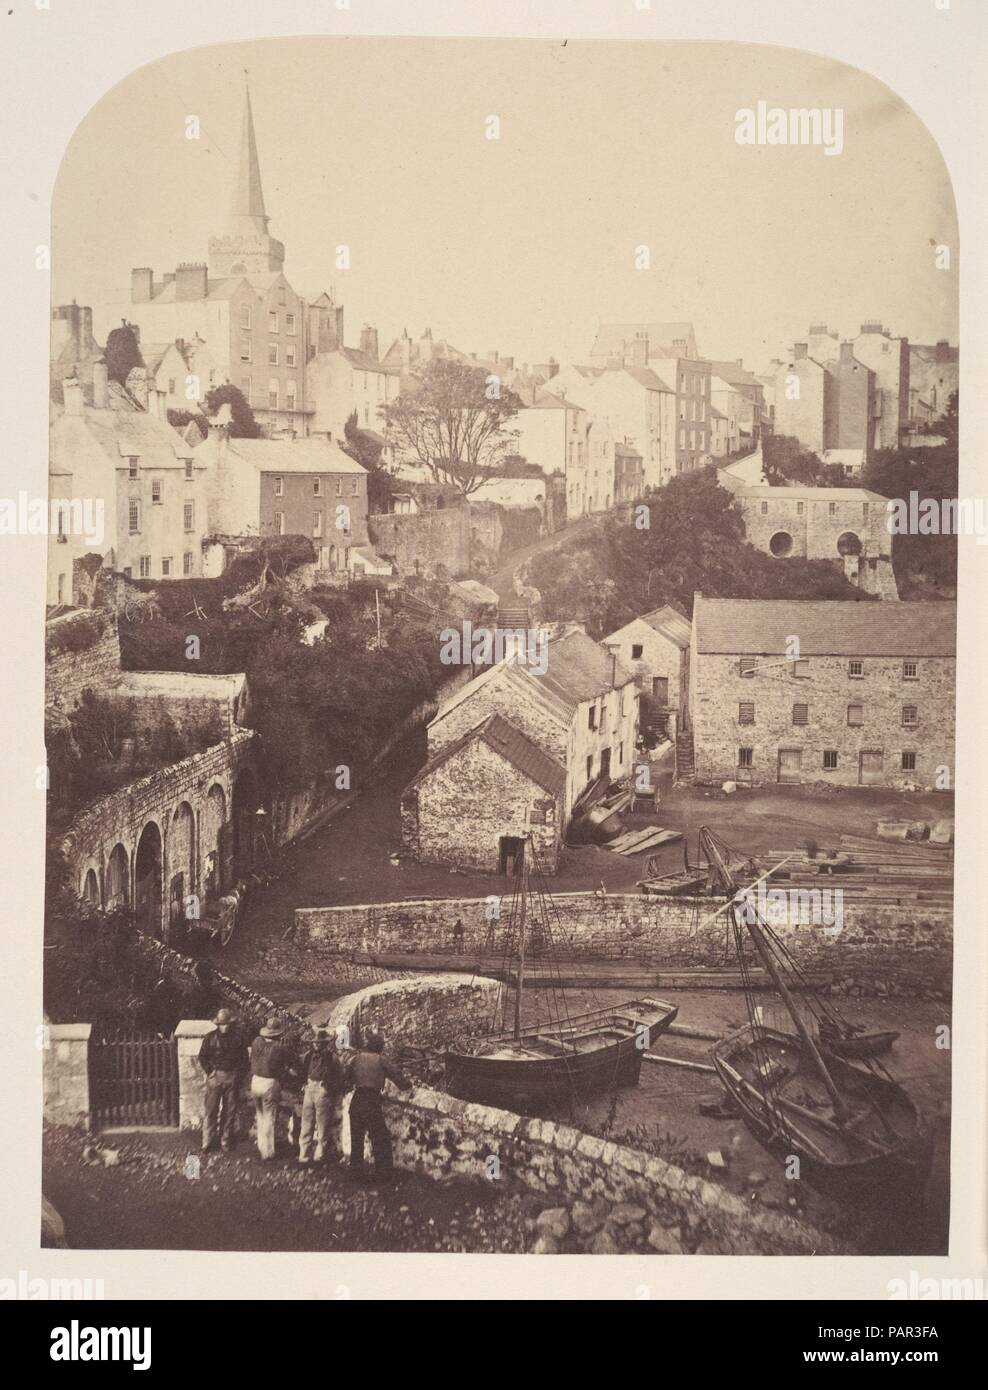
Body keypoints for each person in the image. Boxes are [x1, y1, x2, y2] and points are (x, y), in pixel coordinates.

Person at [346, 1031, 412, 1183]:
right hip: (371, 1100)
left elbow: (347, 1077)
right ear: (380, 1048)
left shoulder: (355, 1058)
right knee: (380, 1138)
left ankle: (355, 1174)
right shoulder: (381, 1060)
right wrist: (408, 1084)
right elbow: (399, 1080)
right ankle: (383, 1174)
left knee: (357, 1139)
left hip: (356, 1100)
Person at [199, 1008, 247, 1153]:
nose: (224, 1026)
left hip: (231, 1077)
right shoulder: (210, 1038)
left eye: (226, 1024)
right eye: (221, 1024)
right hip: (215, 1078)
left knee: (229, 1111)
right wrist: (210, 1071)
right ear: (217, 1024)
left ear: (230, 1024)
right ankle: (207, 1141)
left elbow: (244, 1060)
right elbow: (202, 1056)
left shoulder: (238, 1038)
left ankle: (225, 1140)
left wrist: (238, 1076)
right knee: (211, 1110)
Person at [249, 1016, 296, 1160]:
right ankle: (267, 1152)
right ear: (279, 1034)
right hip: (269, 1084)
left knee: (260, 1114)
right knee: (269, 1117)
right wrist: (288, 1071)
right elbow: (293, 1065)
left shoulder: (257, 1042)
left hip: (255, 1081)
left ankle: (261, 1145)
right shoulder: (280, 1048)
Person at [298, 1026, 343, 1168]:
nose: (316, 1044)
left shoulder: (332, 1058)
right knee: (306, 1123)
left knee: (322, 1125)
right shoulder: (308, 1056)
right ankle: (303, 1156)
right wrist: (304, 1084)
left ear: (325, 1043)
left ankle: (319, 1156)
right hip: (310, 1088)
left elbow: (338, 1076)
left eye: (320, 1042)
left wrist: (327, 1087)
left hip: (323, 1091)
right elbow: (301, 1071)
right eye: (315, 1042)